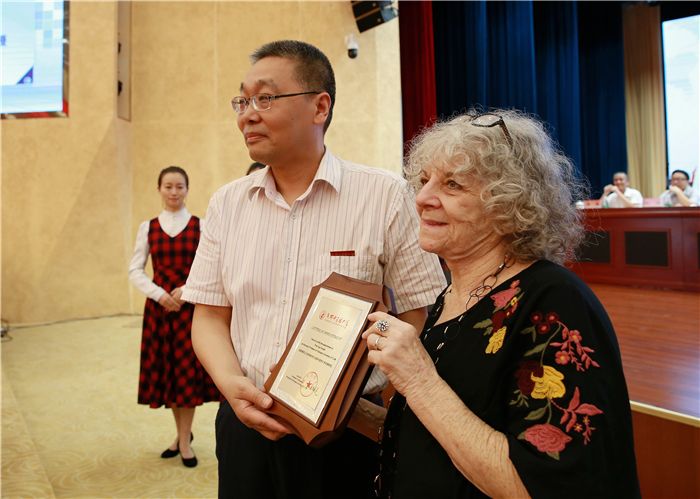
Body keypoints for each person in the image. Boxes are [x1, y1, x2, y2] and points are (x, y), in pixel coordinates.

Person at [182, 40, 445, 499]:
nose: (247, 115)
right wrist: (232, 386)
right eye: (242, 101)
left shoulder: (384, 196)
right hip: (245, 422)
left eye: (266, 98)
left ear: (320, 106)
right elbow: (209, 316)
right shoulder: (227, 203)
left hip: (348, 433)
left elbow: (419, 314)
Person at [354, 110, 641, 498]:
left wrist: (417, 378)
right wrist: (340, 409)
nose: (421, 199)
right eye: (424, 181)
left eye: (452, 184)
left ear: (509, 204)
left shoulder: (554, 302)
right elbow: (435, 434)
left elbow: (540, 485)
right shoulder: (451, 297)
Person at [128, 166, 220, 468]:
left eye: (179, 186)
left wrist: (186, 290)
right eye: (168, 186)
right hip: (159, 311)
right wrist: (159, 294)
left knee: (186, 377)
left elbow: (211, 267)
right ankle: (182, 435)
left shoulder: (201, 226)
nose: (174, 192)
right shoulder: (148, 227)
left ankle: (183, 442)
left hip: (189, 310)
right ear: (159, 189)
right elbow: (135, 270)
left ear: (187, 189)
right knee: (168, 376)